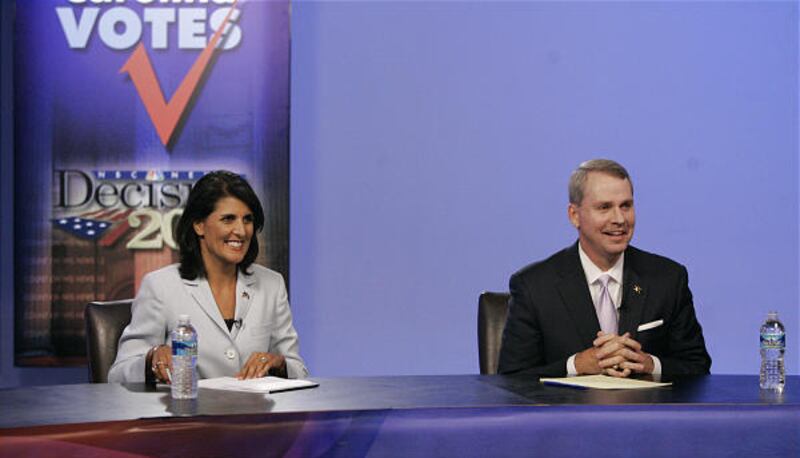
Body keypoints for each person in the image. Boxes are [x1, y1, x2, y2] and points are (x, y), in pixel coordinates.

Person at [497, 159, 711, 378]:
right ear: (574, 215)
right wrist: (576, 366)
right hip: (569, 411)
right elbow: (511, 380)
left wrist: (650, 365)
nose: (619, 219)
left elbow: (697, 368)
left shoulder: (667, 279)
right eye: (604, 207)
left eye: (626, 206)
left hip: (645, 410)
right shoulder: (534, 287)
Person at [108, 171, 308, 383]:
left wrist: (279, 364)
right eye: (228, 219)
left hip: (253, 413)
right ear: (199, 225)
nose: (241, 231)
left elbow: (299, 369)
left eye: (247, 219)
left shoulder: (272, 284)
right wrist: (152, 358)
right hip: (188, 413)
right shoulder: (160, 286)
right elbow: (118, 374)